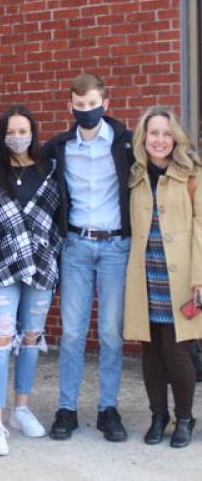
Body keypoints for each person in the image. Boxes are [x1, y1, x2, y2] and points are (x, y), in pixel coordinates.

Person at [44, 73, 134, 442]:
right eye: (79, 106)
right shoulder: (60, 146)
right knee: (72, 333)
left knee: (112, 334)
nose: (87, 110)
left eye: (92, 104)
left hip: (115, 247)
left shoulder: (127, 143)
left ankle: (108, 409)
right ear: (70, 107)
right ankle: (67, 408)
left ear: (105, 104)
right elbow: (22, 159)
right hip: (76, 246)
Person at [0, 105, 61, 456]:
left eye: (24, 131)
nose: (18, 137)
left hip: (41, 265)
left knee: (31, 337)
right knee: (1, 338)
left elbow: (56, 219)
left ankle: (21, 408)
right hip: (1, 264)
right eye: (12, 131)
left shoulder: (50, 169)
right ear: (2, 134)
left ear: (33, 133)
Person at [123, 106, 202, 448]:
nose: (159, 140)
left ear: (176, 138)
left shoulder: (193, 175)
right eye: (153, 133)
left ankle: (184, 418)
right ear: (144, 137)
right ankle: (158, 416)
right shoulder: (135, 175)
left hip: (182, 275)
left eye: (166, 133)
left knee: (178, 351)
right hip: (145, 273)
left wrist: (200, 278)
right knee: (150, 350)